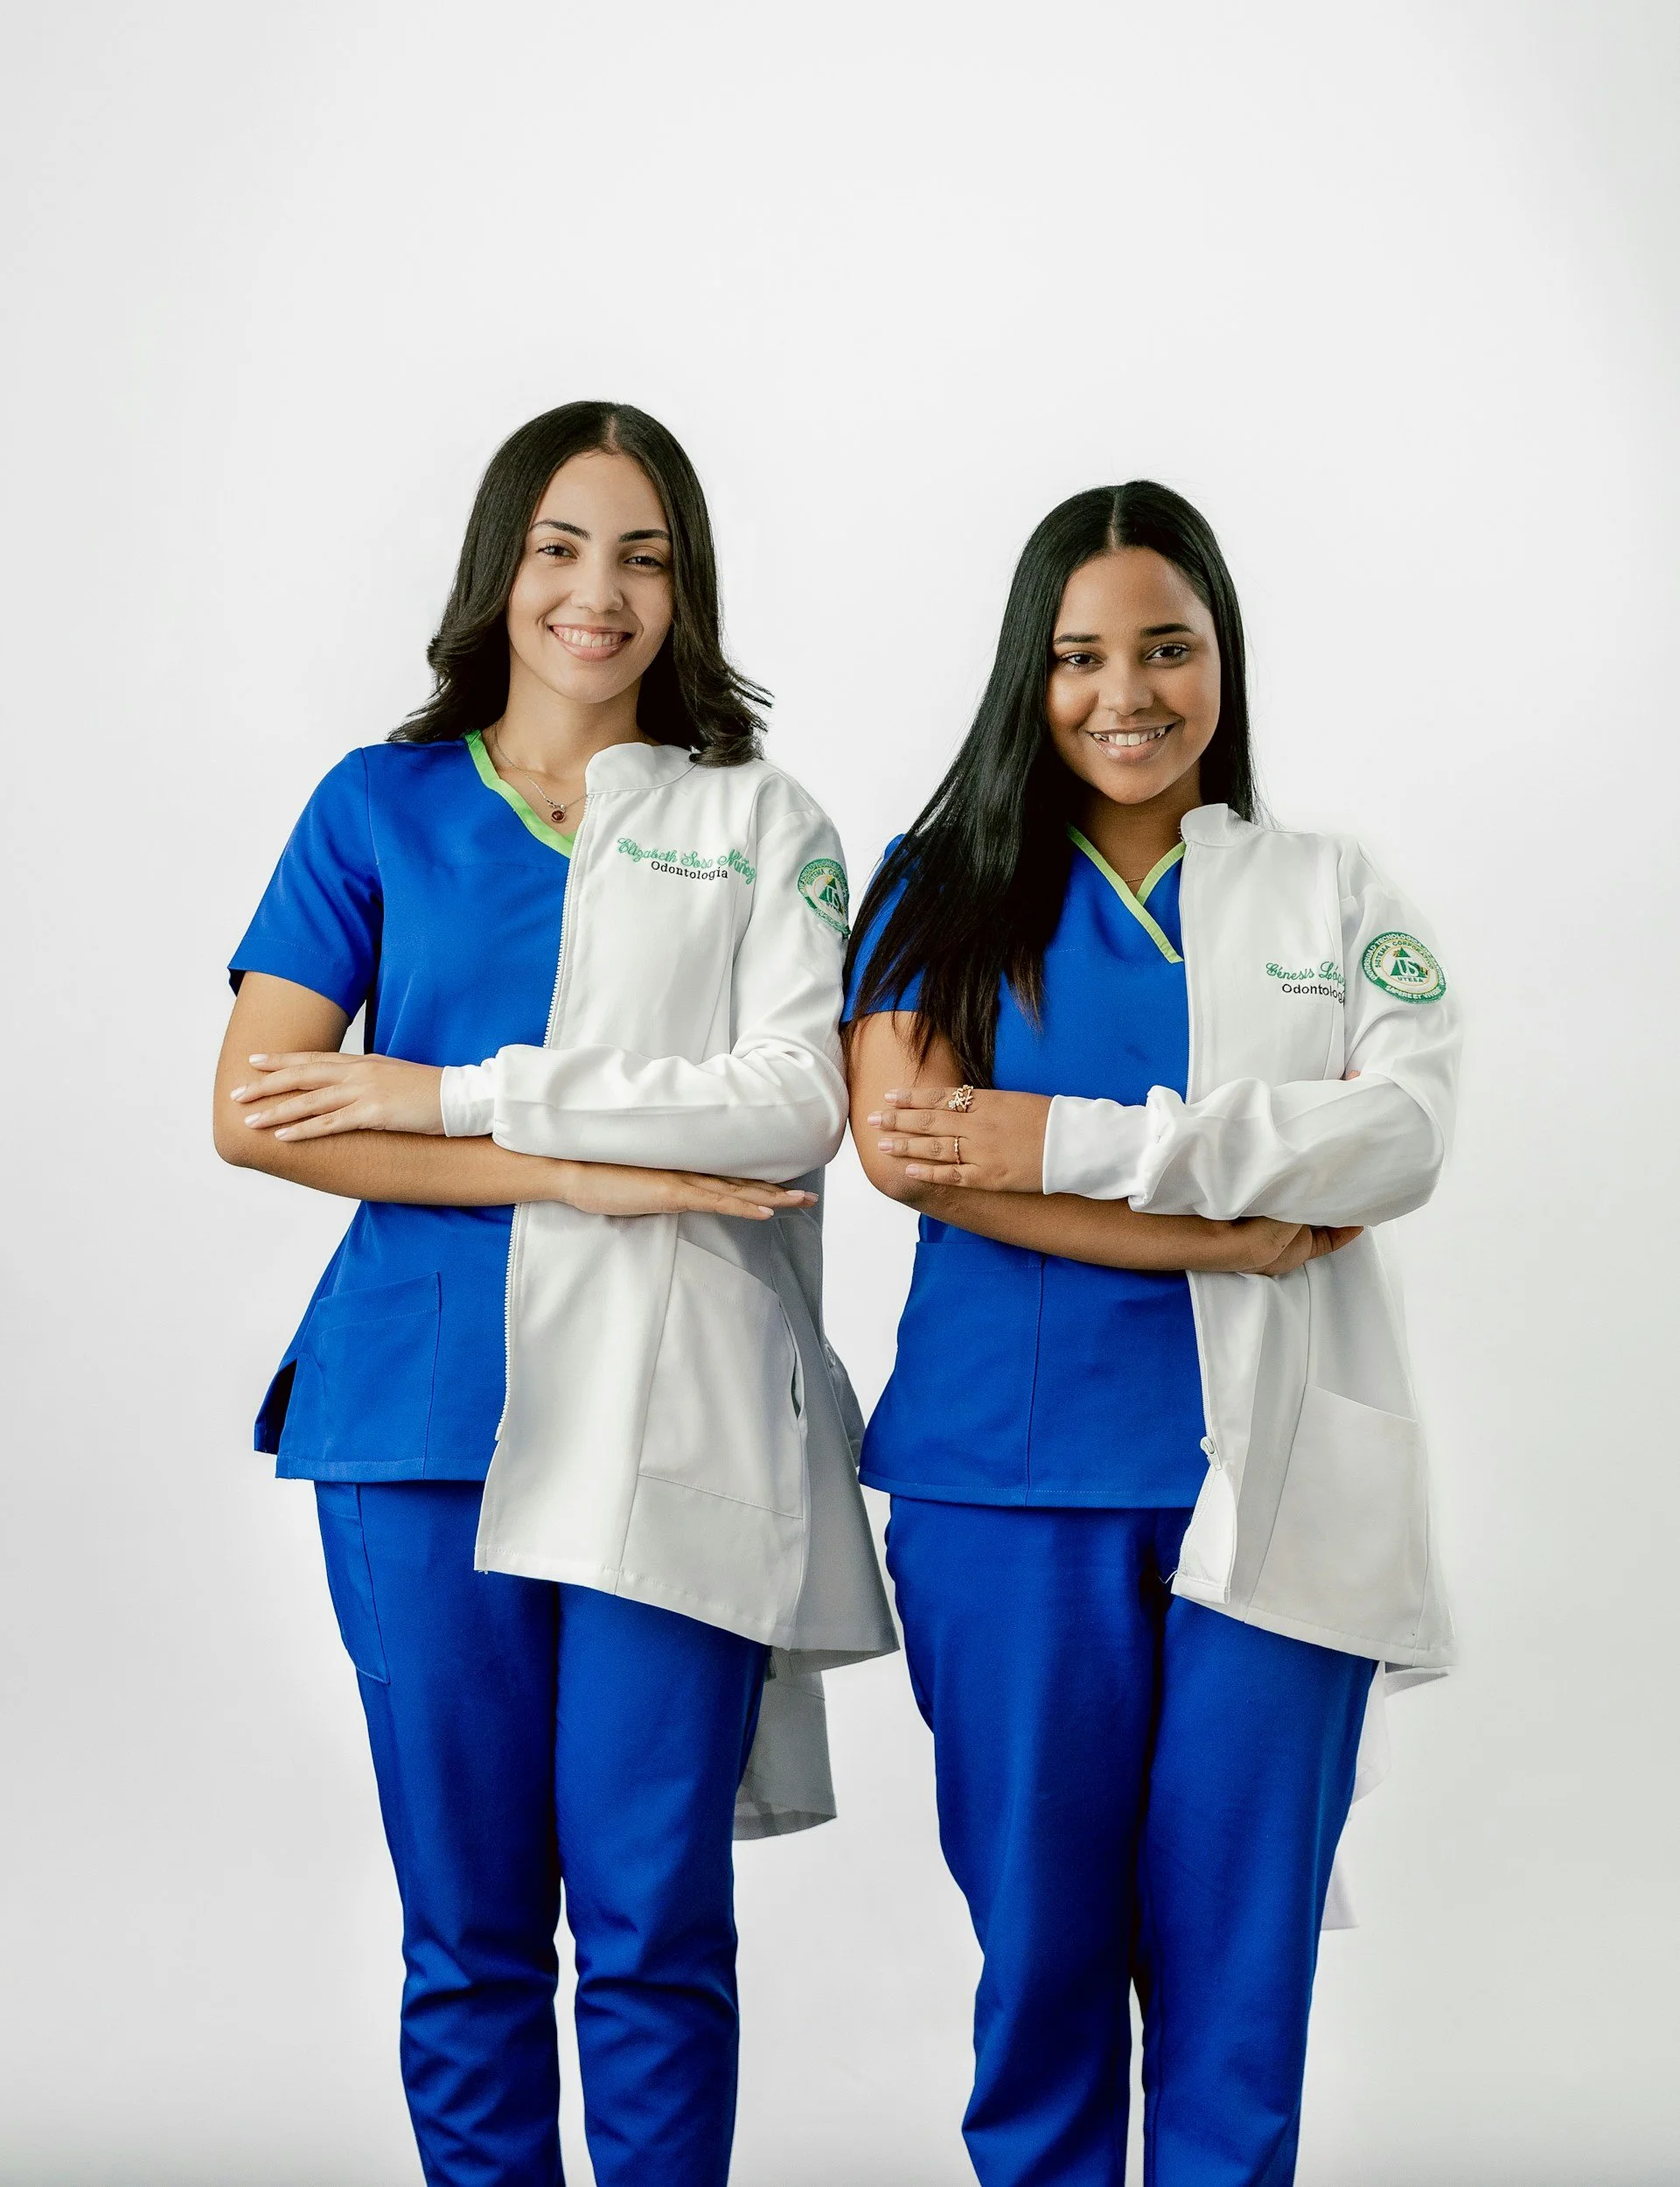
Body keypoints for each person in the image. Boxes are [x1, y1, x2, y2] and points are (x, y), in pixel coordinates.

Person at [213, 400, 895, 2187]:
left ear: (688, 590)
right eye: (562, 548)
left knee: (656, 1922)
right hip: (415, 1413)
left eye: (646, 555)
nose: (600, 592)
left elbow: (795, 1104)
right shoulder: (379, 804)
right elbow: (259, 1107)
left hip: (668, 1424)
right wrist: (593, 1173)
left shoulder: (761, 821)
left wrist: (451, 1093)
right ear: (498, 570)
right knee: (472, 1929)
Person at [844, 481, 1460, 2186]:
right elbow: (914, 1154)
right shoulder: (940, 882)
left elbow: (1400, 1137)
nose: (1130, 691)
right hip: (1006, 1489)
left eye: (1170, 647)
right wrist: (1244, 1212)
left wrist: (1058, 1136)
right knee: (1043, 1969)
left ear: (1223, 660)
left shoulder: (1331, 889)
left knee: (1236, 1990)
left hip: (1279, 1501)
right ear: (1025, 679)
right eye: (1082, 655)